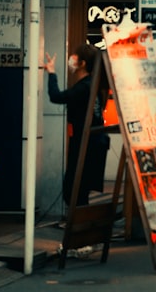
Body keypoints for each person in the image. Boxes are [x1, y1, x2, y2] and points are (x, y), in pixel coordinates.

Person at [44, 44, 110, 207]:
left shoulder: (84, 87)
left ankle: (80, 226)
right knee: (80, 189)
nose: (70, 59)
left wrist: (51, 72)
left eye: (74, 56)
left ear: (82, 63)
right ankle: (80, 226)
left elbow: (57, 97)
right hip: (92, 143)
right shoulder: (91, 84)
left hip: (85, 144)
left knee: (73, 189)